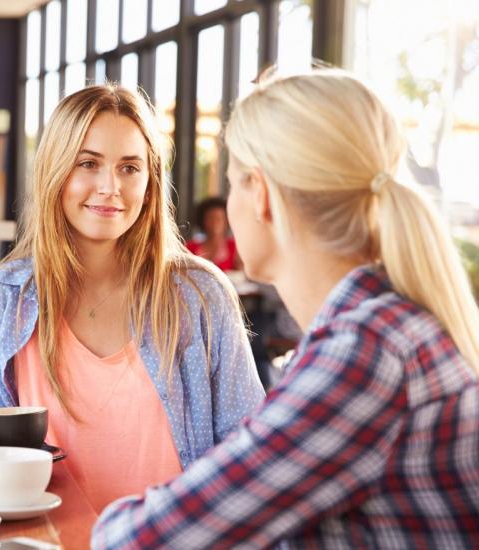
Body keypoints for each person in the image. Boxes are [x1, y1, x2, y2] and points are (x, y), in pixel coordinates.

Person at [92, 69, 479, 548]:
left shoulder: (365, 353)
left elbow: (141, 540)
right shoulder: (382, 326)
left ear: (262, 195)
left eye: (233, 184)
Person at [0, 84, 264, 513]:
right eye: (88, 163)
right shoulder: (3, 300)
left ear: (151, 182)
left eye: (130, 168)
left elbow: (251, 454)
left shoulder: (199, 296)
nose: (110, 187)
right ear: (55, 172)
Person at [186, 197, 241, 271]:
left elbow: (241, 274)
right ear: (202, 220)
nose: (215, 223)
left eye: (219, 219)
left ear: (227, 221)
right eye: (210, 218)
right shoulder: (190, 247)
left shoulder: (234, 247)